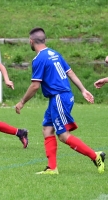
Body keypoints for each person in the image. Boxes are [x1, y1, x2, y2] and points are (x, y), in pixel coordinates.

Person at [15, 27, 105, 174]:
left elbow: (35, 85)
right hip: (58, 97)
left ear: (31, 41)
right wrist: (83, 89)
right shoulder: (54, 53)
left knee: (63, 135)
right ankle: (52, 168)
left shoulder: (39, 59)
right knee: (47, 129)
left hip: (59, 97)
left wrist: (22, 102)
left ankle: (95, 156)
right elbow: (70, 72)